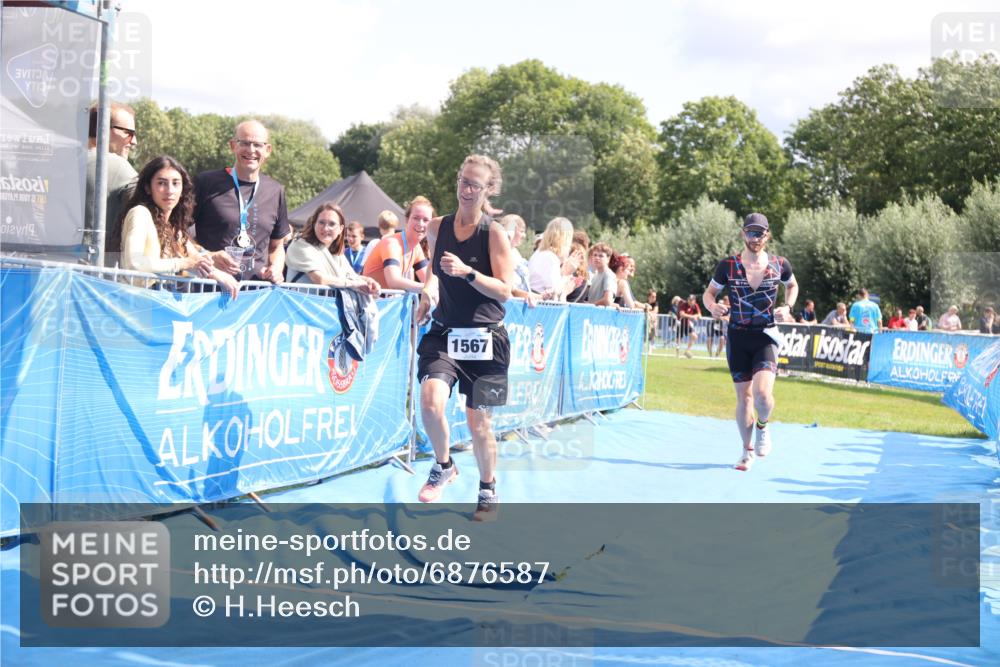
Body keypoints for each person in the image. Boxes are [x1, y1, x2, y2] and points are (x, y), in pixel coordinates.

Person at [415, 154, 514, 521]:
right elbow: (434, 274)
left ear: (488, 190)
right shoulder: (436, 227)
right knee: (430, 403)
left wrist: (468, 273)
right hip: (445, 333)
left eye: (475, 184)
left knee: (479, 422)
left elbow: (505, 290)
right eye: (463, 181)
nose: (466, 190)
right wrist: (428, 294)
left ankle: (488, 488)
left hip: (488, 340)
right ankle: (444, 466)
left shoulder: (494, 233)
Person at [703, 212, 798, 472]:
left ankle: (763, 427)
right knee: (744, 398)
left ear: (767, 236)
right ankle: (746, 452)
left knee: (763, 396)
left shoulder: (780, 264)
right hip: (737, 336)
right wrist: (712, 307)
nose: (755, 238)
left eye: (760, 233)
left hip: (765, 336)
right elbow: (709, 293)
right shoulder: (727, 265)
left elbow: (792, 286)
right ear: (743, 233)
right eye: (750, 232)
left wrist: (788, 306)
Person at [112, 155, 238, 299]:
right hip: (139, 302)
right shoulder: (140, 213)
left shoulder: (171, 225)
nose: (170, 190)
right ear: (148, 188)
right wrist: (183, 263)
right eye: (161, 183)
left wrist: (217, 268)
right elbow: (134, 263)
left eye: (176, 183)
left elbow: (194, 258)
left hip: (159, 301)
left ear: (182, 189)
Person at [194, 119, 290, 282]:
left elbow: (276, 247)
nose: (251, 150)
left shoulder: (275, 191)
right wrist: (208, 255)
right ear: (233, 146)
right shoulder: (206, 182)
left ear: (267, 150)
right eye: (244, 143)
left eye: (257, 145)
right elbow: (179, 233)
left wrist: (276, 268)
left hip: (254, 293)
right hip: (210, 289)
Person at [285, 203, 380, 295]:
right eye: (321, 222)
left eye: (332, 224)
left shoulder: (336, 254)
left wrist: (368, 281)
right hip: (300, 304)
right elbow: (320, 279)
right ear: (314, 224)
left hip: (326, 305)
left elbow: (351, 277)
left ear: (341, 229)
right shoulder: (301, 245)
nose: (326, 228)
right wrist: (353, 284)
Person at [87, 102, 139, 262]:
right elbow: (156, 213)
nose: (134, 141)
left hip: (49, 266)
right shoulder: (118, 166)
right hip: (96, 270)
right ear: (102, 129)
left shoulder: (59, 162)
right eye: (128, 133)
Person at [362, 197, 433, 291]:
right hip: (373, 298)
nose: (421, 224)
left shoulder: (416, 248)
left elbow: (428, 279)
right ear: (407, 220)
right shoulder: (392, 243)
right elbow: (393, 281)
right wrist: (427, 288)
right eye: (416, 218)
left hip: (389, 298)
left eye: (426, 220)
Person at [527, 217, 576, 300]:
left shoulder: (539, 253)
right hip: (540, 304)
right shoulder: (550, 257)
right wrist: (566, 274)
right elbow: (555, 291)